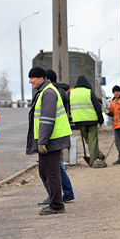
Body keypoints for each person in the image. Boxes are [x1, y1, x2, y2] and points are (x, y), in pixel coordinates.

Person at [26, 67, 72, 215]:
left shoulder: (49, 93)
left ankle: (57, 205)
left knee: (51, 172)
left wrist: (42, 141)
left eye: (32, 78)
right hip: (50, 139)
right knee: (45, 171)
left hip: (51, 140)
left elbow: (47, 120)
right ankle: (54, 201)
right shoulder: (44, 92)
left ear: (41, 78)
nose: (30, 81)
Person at [70, 75, 107, 168]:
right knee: (92, 140)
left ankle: (94, 158)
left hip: (79, 121)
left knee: (88, 140)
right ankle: (95, 157)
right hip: (91, 120)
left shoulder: (71, 93)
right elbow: (97, 106)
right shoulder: (89, 92)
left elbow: (68, 106)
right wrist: (100, 119)